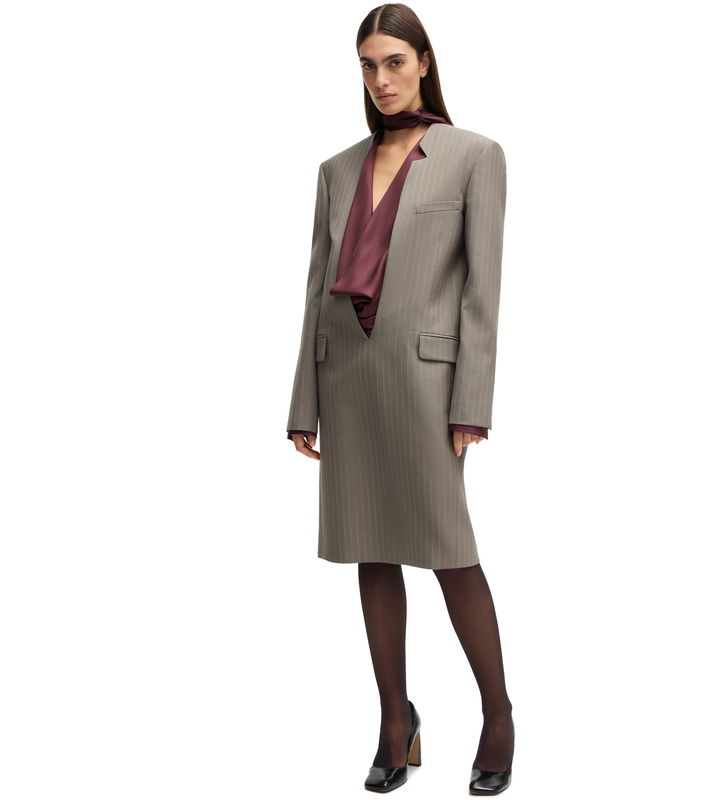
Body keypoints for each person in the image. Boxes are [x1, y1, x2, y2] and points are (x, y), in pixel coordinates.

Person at [285, 4, 513, 794]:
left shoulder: (474, 156)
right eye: (368, 65)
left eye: (393, 62)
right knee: (370, 547)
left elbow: (482, 292)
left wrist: (470, 403)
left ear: (423, 63)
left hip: (426, 386)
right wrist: (303, 402)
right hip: (346, 377)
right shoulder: (336, 169)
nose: (380, 79)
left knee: (450, 551)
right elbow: (315, 290)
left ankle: (498, 715)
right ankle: (394, 720)